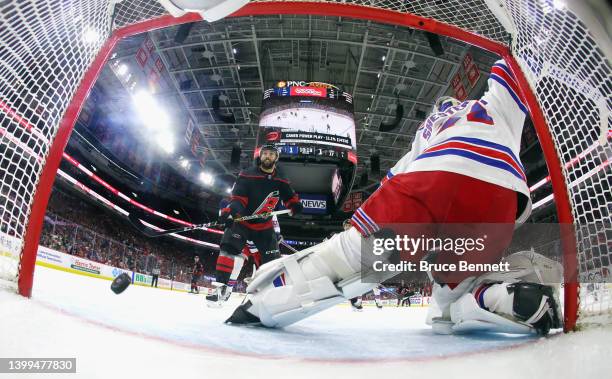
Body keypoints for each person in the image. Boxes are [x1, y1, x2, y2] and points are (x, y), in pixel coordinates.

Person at [226, 59, 562, 336]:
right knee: (448, 305)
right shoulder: (490, 108)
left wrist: (361, 228)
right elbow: (512, 72)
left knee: (353, 255)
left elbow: (397, 177)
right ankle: (507, 297)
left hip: (435, 173)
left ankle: (261, 303)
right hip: (501, 195)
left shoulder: (429, 130)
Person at [206, 144, 302, 306]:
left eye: (271, 154)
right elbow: (238, 199)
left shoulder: (281, 178)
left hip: (263, 227)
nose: (267, 156)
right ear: (260, 156)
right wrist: (231, 213)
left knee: (272, 264)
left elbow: (289, 196)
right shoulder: (247, 175)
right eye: (265, 153)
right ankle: (220, 289)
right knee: (228, 250)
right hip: (242, 221)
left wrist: (294, 205)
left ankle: (270, 297)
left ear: (276, 158)